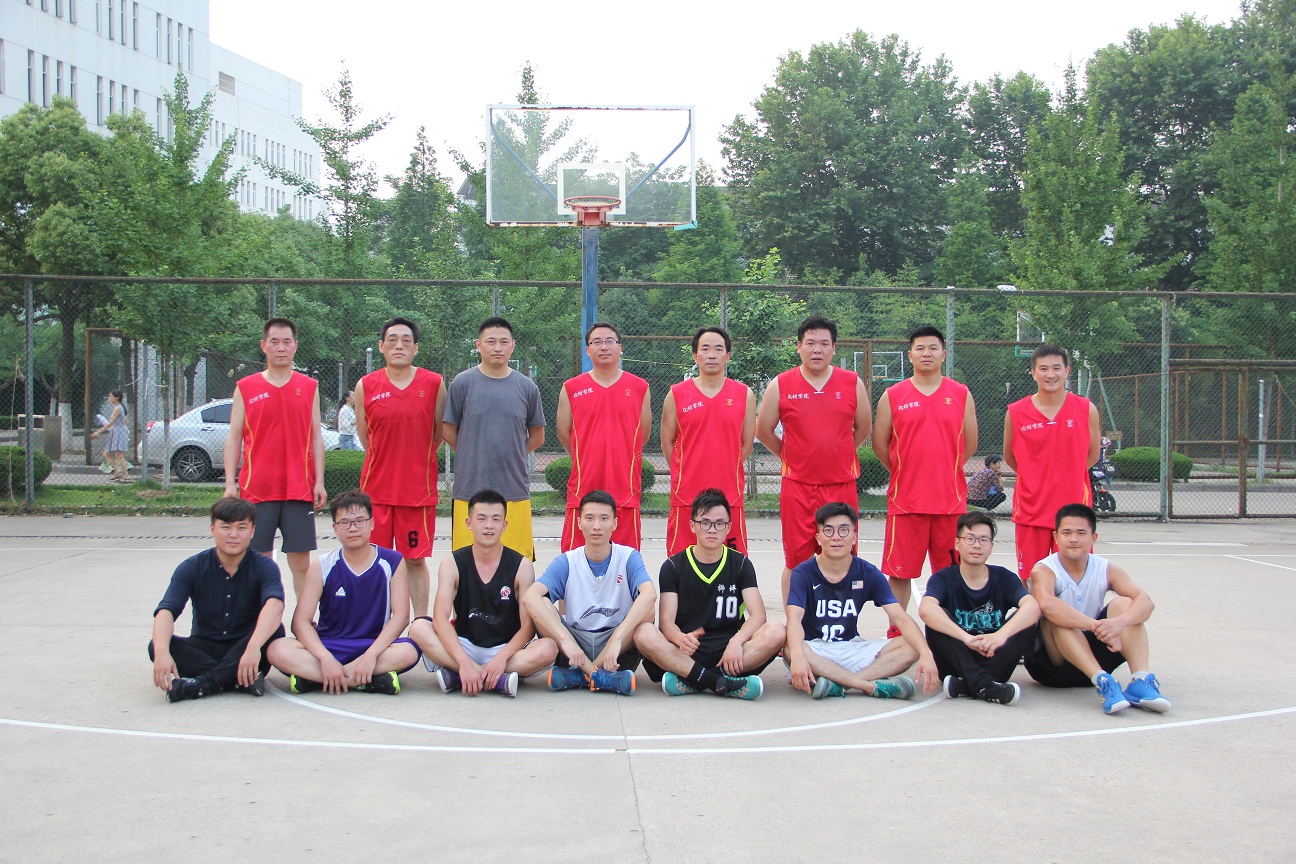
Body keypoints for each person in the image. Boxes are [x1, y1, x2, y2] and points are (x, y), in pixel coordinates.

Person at [755, 316, 871, 602]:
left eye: (824, 344)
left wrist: (839, 452)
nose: (817, 349)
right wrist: (792, 455)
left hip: (840, 485)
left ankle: (842, 619)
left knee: (842, 555)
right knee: (796, 560)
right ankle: (795, 623)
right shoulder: (781, 384)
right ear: (798, 346)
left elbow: (864, 428)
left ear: (834, 348)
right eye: (810, 343)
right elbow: (763, 431)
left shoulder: (851, 382)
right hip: (798, 487)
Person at [871, 325, 977, 635]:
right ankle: (896, 633)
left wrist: (944, 469)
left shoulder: (960, 394)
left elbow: (969, 443)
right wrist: (904, 471)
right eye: (920, 348)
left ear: (944, 354)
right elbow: (880, 444)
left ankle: (949, 634)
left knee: (953, 574)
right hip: (906, 502)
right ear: (910, 355)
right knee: (899, 573)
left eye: (933, 348)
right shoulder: (893, 395)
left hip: (950, 503)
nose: (926, 353)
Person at [633, 488, 784, 699]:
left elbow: (758, 616)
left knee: (777, 630)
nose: (712, 529)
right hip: (687, 651)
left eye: (719, 524)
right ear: (692, 525)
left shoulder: (740, 564)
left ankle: (693, 680)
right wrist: (679, 638)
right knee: (643, 633)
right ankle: (722, 683)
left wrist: (737, 641)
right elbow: (666, 623)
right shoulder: (673, 566)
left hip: (729, 652)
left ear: (728, 527)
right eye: (705, 523)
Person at [266, 489, 420, 695]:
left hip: (373, 646)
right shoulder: (323, 564)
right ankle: (364, 679)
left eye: (359, 521)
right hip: (330, 646)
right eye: (345, 523)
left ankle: (318, 679)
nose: (353, 528)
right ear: (335, 528)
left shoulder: (392, 561)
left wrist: (371, 655)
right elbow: (300, 622)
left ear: (372, 523)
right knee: (277, 649)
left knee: (409, 650)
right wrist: (325, 658)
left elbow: (401, 616)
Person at [409, 489, 558, 697]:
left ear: (504, 525)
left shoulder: (521, 566)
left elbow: (527, 628)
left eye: (496, 519)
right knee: (418, 628)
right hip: (464, 644)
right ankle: (492, 679)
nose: (489, 525)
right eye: (481, 519)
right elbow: (440, 619)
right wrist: (463, 661)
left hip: (504, 648)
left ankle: (459, 676)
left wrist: (501, 657)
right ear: (469, 523)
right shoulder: (452, 563)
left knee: (549, 648)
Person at [1025, 504, 1172, 715]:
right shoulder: (1044, 569)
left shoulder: (1105, 568)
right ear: (1056, 537)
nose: (1073, 539)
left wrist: (1119, 623)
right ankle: (1102, 682)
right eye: (1066, 533)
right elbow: (1048, 605)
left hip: (1094, 655)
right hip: (1053, 666)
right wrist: (1098, 627)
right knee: (1056, 617)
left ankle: (1140, 680)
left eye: (1081, 533)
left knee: (1125, 604)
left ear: (1093, 538)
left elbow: (1146, 602)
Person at [785, 502, 938, 700]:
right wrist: (798, 655)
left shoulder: (867, 572)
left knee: (912, 646)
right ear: (818, 537)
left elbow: (900, 617)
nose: (836, 537)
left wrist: (925, 652)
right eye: (828, 530)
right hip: (815, 649)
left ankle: (840, 685)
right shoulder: (803, 572)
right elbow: (794, 618)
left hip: (852, 647)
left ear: (854, 537)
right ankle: (868, 686)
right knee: (790, 649)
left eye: (844, 530)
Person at [223, 318, 327, 599]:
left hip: (299, 488)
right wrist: (230, 483)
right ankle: (264, 618)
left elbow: (317, 437)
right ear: (263, 346)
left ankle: (304, 619)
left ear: (295, 346)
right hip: (257, 488)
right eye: (274, 342)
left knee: (300, 562)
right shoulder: (246, 387)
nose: (281, 347)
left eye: (286, 342)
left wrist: (319, 481)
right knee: (259, 561)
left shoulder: (309, 386)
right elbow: (234, 438)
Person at [149, 497, 286, 702]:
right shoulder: (192, 567)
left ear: (252, 531)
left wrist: (253, 648)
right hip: (204, 647)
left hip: (246, 647)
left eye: (241, 527)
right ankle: (237, 680)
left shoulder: (264, 566)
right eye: (226, 527)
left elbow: (275, 605)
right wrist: (161, 653)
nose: (233, 534)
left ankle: (201, 684)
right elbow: (167, 610)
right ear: (212, 529)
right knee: (157, 645)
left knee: (275, 630)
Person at [523, 490, 658, 695]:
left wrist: (617, 639)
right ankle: (599, 676)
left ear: (614, 523)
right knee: (540, 603)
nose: (596, 526)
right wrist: (566, 641)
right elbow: (530, 597)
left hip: (616, 650)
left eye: (604, 518)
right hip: (574, 647)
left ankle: (581, 676)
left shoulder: (628, 557)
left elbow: (649, 594)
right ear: (579, 523)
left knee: (648, 610)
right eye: (589, 518)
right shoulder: (567, 561)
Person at [353, 317, 444, 617]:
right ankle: (374, 623)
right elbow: (366, 436)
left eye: (406, 340)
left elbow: (438, 434)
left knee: (415, 560)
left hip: (417, 492)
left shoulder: (433, 383)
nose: (399, 345)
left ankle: (420, 623)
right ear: (381, 346)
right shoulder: (366, 385)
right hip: (376, 492)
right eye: (392, 340)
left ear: (416, 348)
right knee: (375, 560)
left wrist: (416, 460)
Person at [443, 317, 545, 559]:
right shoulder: (462, 383)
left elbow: (538, 436)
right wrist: (471, 451)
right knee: (468, 565)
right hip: (470, 489)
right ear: (478, 345)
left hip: (514, 489)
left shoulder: (527, 387)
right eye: (490, 342)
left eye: (503, 342)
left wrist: (513, 453)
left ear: (513, 345)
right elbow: (448, 430)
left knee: (517, 564)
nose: (497, 347)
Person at [919, 511, 1040, 705]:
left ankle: (965, 686)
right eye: (970, 539)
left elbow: (1032, 607)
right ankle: (986, 686)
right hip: (955, 661)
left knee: (1026, 620)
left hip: (995, 658)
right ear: (957, 543)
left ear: (991, 546)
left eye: (984, 540)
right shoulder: (943, 578)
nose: (977, 545)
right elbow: (926, 609)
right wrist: (965, 638)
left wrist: (1000, 636)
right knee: (937, 619)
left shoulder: (1004, 577)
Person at [1003, 345, 1100, 581]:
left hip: (1073, 510)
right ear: (1033, 373)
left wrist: (1069, 474)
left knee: (1075, 577)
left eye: (1056, 368)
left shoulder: (1086, 409)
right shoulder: (1016, 412)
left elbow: (1092, 455)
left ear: (1067, 371)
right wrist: (1034, 476)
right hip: (1031, 509)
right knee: (1031, 579)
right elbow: (1010, 456)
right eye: (1043, 369)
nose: (1050, 374)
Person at [660, 326, 757, 556]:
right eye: (705, 349)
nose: (711, 354)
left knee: (732, 565)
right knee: (681, 564)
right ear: (695, 355)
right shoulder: (676, 394)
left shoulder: (744, 395)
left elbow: (745, 445)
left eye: (718, 349)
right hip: (686, 496)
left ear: (728, 355)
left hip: (729, 495)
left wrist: (727, 465)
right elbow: (667, 442)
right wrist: (684, 470)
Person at [555, 321, 651, 551]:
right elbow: (563, 433)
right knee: (576, 560)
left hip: (625, 490)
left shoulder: (639, 387)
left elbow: (643, 434)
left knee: (625, 562)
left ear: (620, 348)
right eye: (596, 342)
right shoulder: (571, 388)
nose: (604, 346)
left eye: (610, 341)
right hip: (583, 489)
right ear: (587, 350)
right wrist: (584, 455)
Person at [90, 390, 131, 483]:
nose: (109, 398)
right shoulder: (119, 407)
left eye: (111, 396)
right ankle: (117, 472)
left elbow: (111, 423)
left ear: (117, 398)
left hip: (119, 433)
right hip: (116, 432)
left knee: (119, 455)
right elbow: (125, 421)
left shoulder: (118, 408)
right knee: (107, 453)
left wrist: (98, 432)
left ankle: (126, 477)